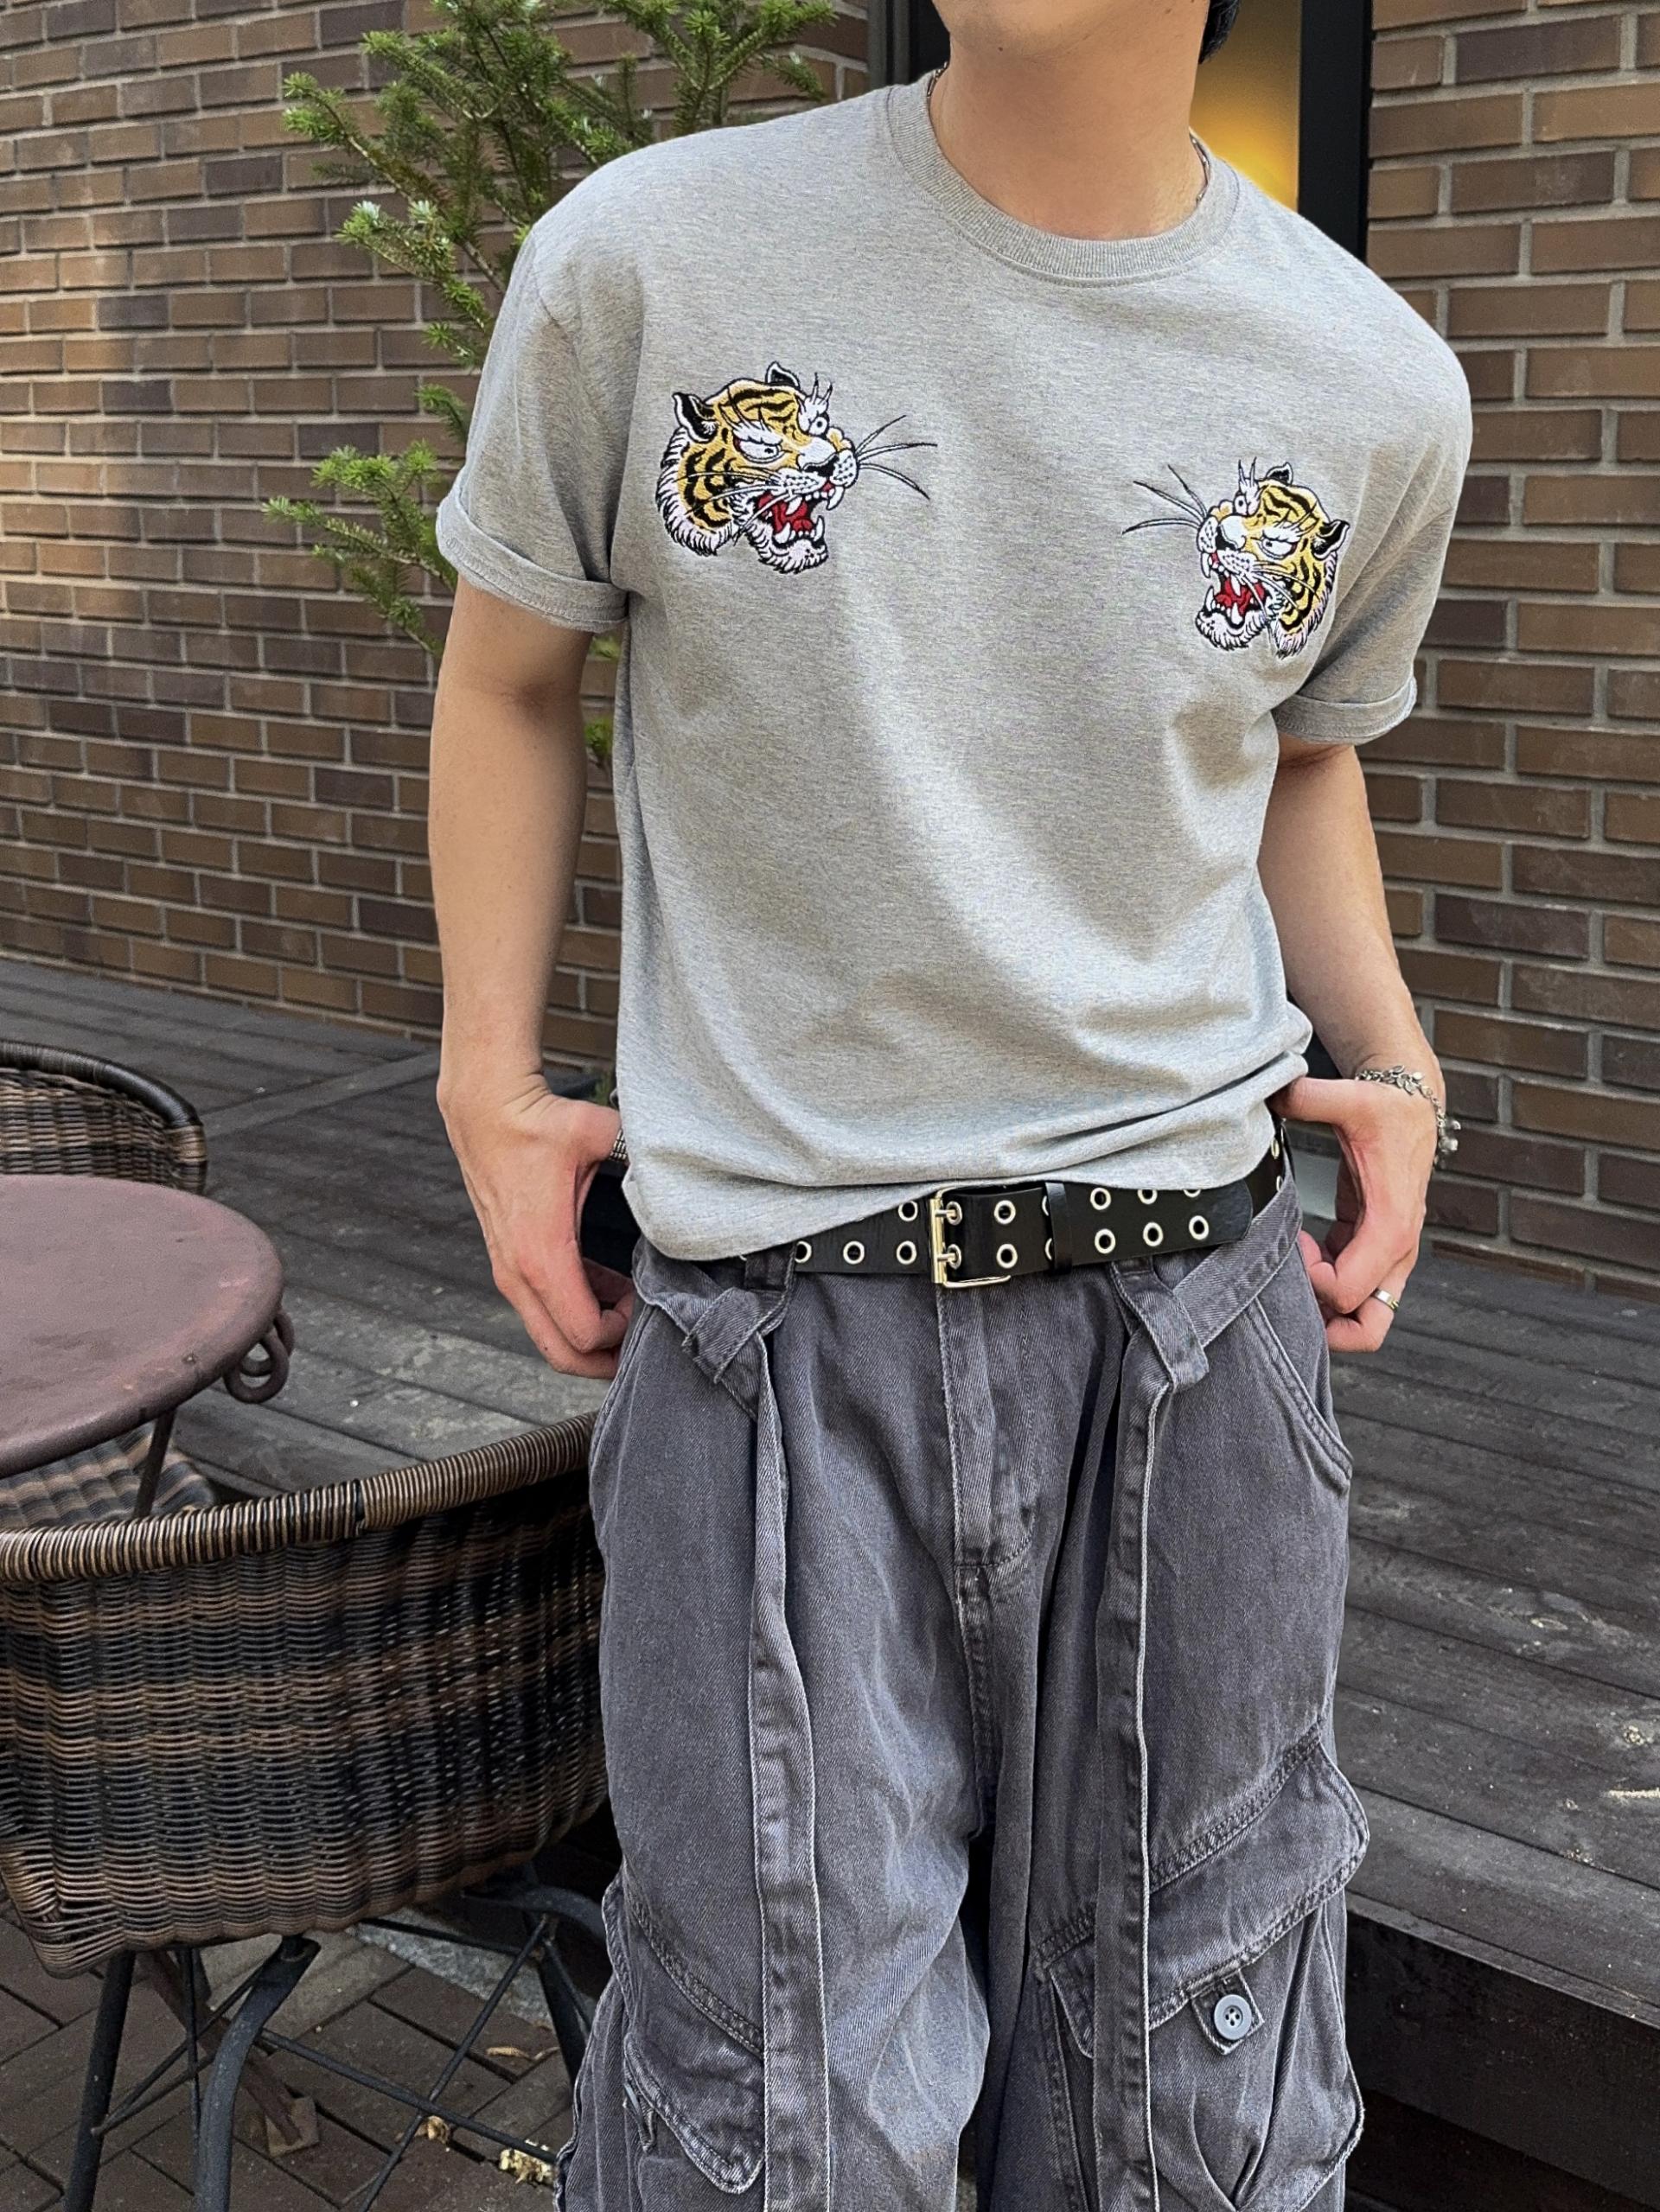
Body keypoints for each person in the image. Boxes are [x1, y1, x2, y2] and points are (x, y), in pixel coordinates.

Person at [428, 0, 1472, 2202]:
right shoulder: (651, 258)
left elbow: (1298, 753)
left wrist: (1386, 1053)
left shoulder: (1372, 376)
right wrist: (484, 1079)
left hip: (1198, 1337)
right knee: (784, 2122)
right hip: (776, 1342)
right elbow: (510, 666)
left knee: (1195, 2100)